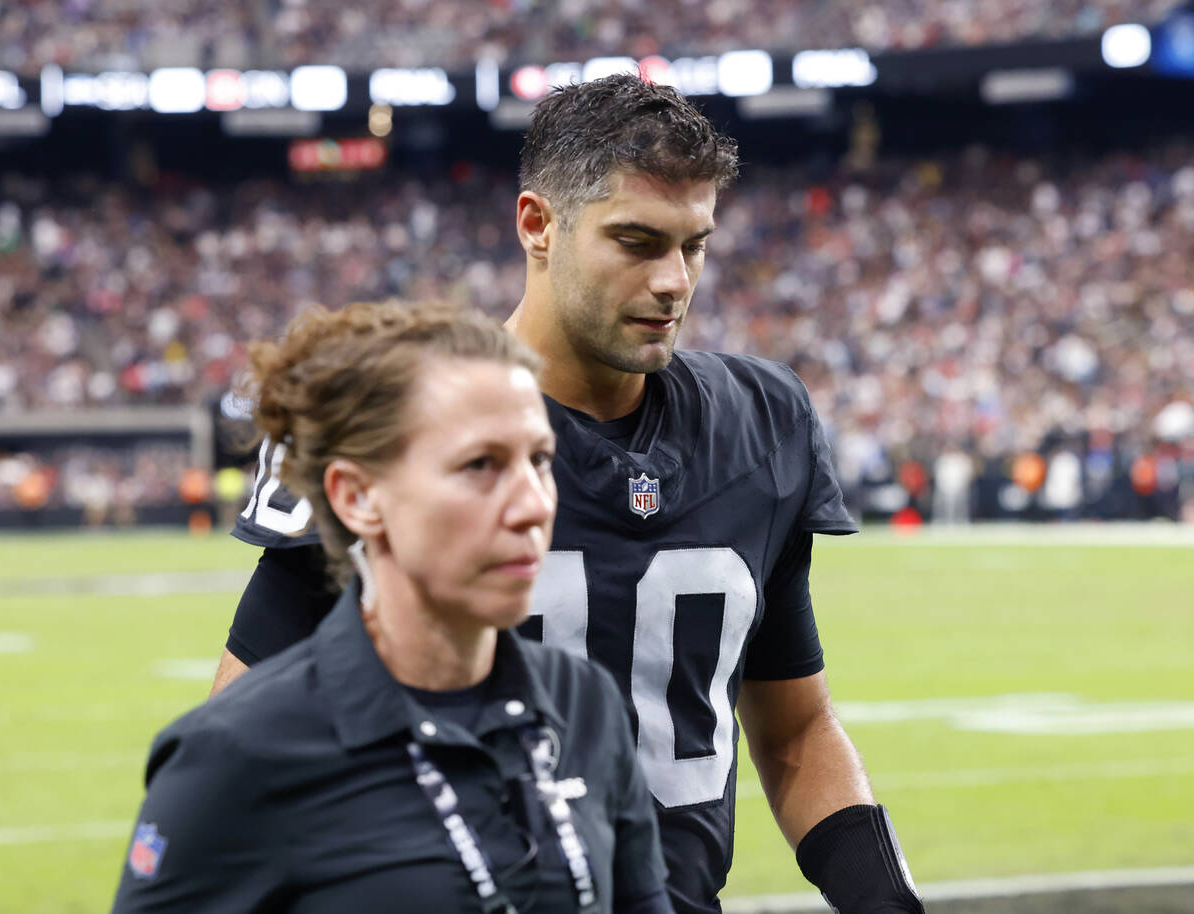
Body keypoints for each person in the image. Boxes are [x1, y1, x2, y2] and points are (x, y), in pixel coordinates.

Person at [219, 75, 924, 914]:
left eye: (694, 245)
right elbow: (243, 748)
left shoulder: (761, 424)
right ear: (537, 225)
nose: (674, 281)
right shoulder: (396, 422)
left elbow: (796, 728)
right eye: (636, 241)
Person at [113, 302, 674, 914]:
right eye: (480, 465)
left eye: (539, 459)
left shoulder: (584, 704)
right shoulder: (234, 754)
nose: (534, 505)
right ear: (357, 498)